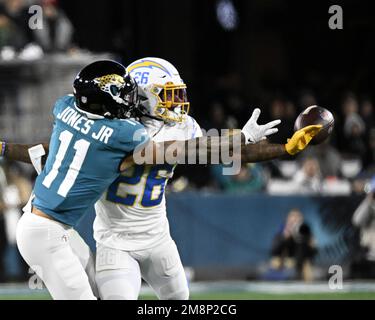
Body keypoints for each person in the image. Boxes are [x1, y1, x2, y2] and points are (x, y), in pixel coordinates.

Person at [1, 58, 322, 299]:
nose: (178, 102)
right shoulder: (122, 133)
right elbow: (184, 150)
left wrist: (284, 148)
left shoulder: (165, 125)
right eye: (168, 95)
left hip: (158, 238)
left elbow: (215, 151)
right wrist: (240, 138)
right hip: (114, 243)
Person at [14, 60, 147, 299]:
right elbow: (146, 141)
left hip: (45, 224)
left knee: (100, 291)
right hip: (46, 232)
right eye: (123, 93)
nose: (129, 99)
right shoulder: (126, 134)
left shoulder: (64, 107)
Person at [270, 209, 317, 281]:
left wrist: (312, 245)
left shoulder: (306, 233)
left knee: (306, 266)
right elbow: (274, 252)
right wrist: (285, 237)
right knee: (275, 262)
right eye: (293, 219)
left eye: (297, 218)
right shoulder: (281, 234)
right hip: (284, 261)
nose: (295, 221)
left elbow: (312, 254)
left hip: (301, 263)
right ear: (288, 220)